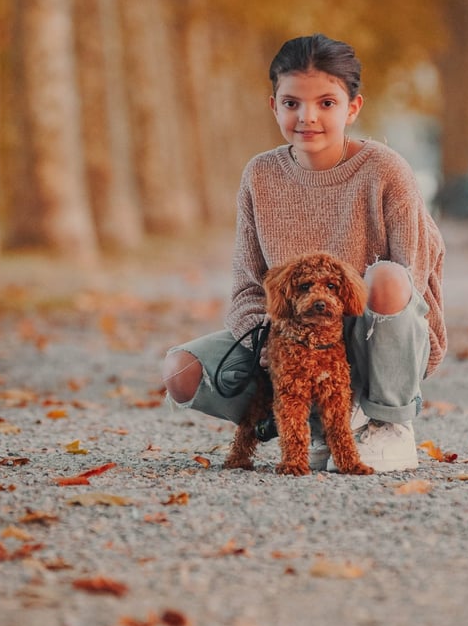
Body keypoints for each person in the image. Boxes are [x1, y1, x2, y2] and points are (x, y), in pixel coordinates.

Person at [162, 33, 447, 472]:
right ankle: (307, 422)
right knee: (180, 372)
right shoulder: (260, 175)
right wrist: (270, 341)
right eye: (292, 102)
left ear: (353, 107)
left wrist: (344, 343)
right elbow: (246, 286)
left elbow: (414, 283)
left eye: (326, 103)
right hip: (287, 338)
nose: (307, 117)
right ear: (273, 105)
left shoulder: (387, 172)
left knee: (388, 278)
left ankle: (386, 422)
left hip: (371, 338)